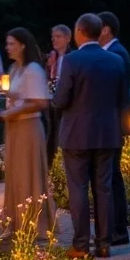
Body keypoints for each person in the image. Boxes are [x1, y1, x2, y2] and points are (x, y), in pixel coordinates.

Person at [54, 13, 129, 259]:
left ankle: (81, 244)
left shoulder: (73, 60)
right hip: (108, 134)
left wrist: (54, 98)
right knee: (104, 188)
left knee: (78, 188)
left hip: (77, 134)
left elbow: (62, 99)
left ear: (79, 31)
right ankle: (104, 243)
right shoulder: (116, 60)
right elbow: (123, 101)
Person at [0, 27, 54, 236]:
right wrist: (5, 94)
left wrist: (13, 112)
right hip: (14, 126)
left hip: (28, 126)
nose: (8, 48)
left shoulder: (33, 69)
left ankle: (32, 223)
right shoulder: (14, 69)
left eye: (12, 44)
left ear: (23, 45)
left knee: (27, 172)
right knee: (14, 174)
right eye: (7, 43)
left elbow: (40, 102)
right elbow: (21, 93)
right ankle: (13, 222)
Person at [97, 10, 130, 247]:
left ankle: (117, 229)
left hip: (112, 126)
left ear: (106, 29)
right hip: (111, 125)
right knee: (112, 177)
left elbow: (119, 96)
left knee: (112, 178)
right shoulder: (113, 53)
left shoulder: (116, 54)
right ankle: (117, 228)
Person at [44, 23, 72, 166]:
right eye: (53, 37)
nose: (54, 40)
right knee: (51, 131)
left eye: (58, 36)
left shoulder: (72, 57)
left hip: (65, 102)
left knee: (61, 131)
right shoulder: (51, 58)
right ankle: (50, 162)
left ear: (68, 39)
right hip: (50, 100)